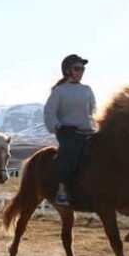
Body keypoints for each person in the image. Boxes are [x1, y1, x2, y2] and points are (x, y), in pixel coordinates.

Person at [43, 54, 96, 205]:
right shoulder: (59, 91)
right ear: (67, 71)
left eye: (82, 69)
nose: (81, 71)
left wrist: (96, 126)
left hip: (88, 132)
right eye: (77, 68)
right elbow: (49, 113)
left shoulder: (87, 90)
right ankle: (62, 191)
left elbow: (94, 111)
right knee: (68, 154)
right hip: (68, 133)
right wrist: (59, 127)